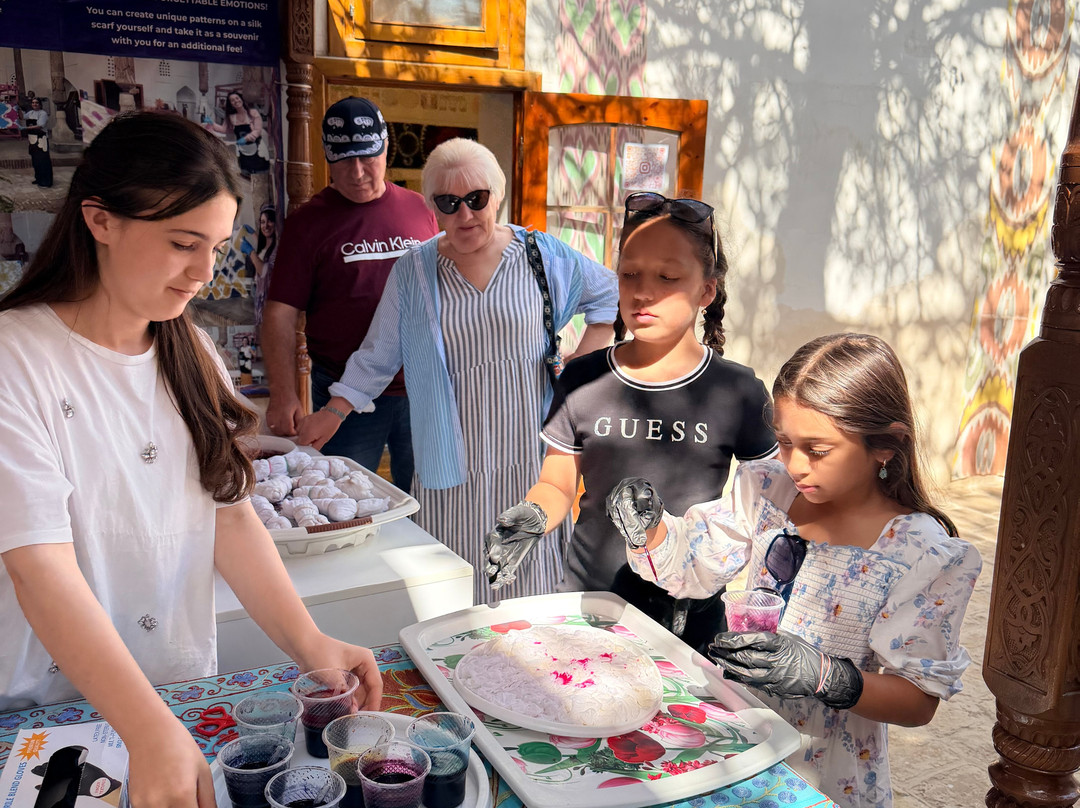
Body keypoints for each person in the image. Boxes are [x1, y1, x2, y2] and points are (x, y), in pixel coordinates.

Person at [0, 111, 382, 807]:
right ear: (100, 220)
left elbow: (229, 518)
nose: (204, 273)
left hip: (175, 690)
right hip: (51, 710)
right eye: (183, 243)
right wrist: (146, 730)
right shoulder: (16, 358)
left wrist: (310, 641)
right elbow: (38, 566)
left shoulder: (193, 352)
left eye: (217, 247)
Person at [606, 333, 982, 808]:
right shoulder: (768, 491)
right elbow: (693, 564)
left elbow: (917, 700)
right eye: (784, 442)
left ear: (885, 445)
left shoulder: (921, 552)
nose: (796, 465)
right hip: (739, 740)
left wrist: (826, 676)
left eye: (817, 449)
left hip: (826, 770)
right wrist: (650, 528)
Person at [297, 137, 618, 604]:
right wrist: (334, 410)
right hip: (452, 452)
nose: (464, 214)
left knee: (528, 564)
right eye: (448, 203)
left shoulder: (541, 255)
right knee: (454, 575)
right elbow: (379, 352)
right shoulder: (413, 270)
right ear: (433, 207)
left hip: (527, 445)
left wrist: (581, 367)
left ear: (497, 195)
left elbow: (609, 295)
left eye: (476, 199)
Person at [483, 193, 776, 651]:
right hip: (589, 606)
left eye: (667, 277)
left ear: (707, 290)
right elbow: (557, 484)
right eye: (629, 274)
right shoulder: (583, 378)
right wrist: (534, 515)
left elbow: (769, 503)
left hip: (688, 619)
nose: (643, 292)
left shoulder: (738, 391)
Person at [264, 97, 438, 493]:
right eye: (343, 161)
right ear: (327, 158)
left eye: (367, 158)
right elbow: (280, 314)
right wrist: (283, 393)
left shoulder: (422, 209)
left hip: (423, 388)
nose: (357, 173)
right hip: (344, 394)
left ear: (386, 148)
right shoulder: (307, 223)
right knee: (343, 496)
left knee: (431, 497)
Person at [203, 90, 270, 176]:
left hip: (257, 148)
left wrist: (246, 138)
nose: (236, 101)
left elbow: (257, 130)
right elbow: (224, 130)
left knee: (259, 174)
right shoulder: (231, 117)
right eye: (232, 100)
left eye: (237, 98)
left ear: (241, 99)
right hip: (242, 151)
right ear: (230, 104)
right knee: (245, 174)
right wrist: (212, 123)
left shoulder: (253, 113)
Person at [247, 204, 277, 330]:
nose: (266, 225)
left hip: (269, 300)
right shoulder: (265, 245)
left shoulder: (278, 248)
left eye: (270, 221)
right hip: (258, 296)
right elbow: (263, 250)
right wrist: (252, 234)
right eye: (263, 222)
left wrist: (250, 252)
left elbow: (266, 272)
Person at [22, 96, 53, 188]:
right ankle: (38, 178)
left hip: (41, 140)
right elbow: (22, 117)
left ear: (40, 104)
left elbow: (40, 125)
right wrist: (17, 108)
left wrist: (26, 128)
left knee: (43, 161)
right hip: (32, 140)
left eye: (36, 103)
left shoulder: (43, 113)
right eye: (33, 103)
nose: (34, 104)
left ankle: (46, 181)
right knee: (35, 161)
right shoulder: (30, 113)